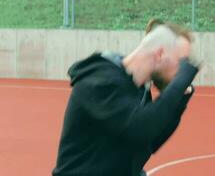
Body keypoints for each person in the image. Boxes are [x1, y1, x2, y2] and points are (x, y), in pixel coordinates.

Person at [52, 19, 201, 176]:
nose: (182, 71)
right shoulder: (100, 81)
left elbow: (151, 139)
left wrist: (180, 99)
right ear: (160, 54)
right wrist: (180, 81)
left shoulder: (137, 89)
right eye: (181, 63)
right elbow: (141, 127)